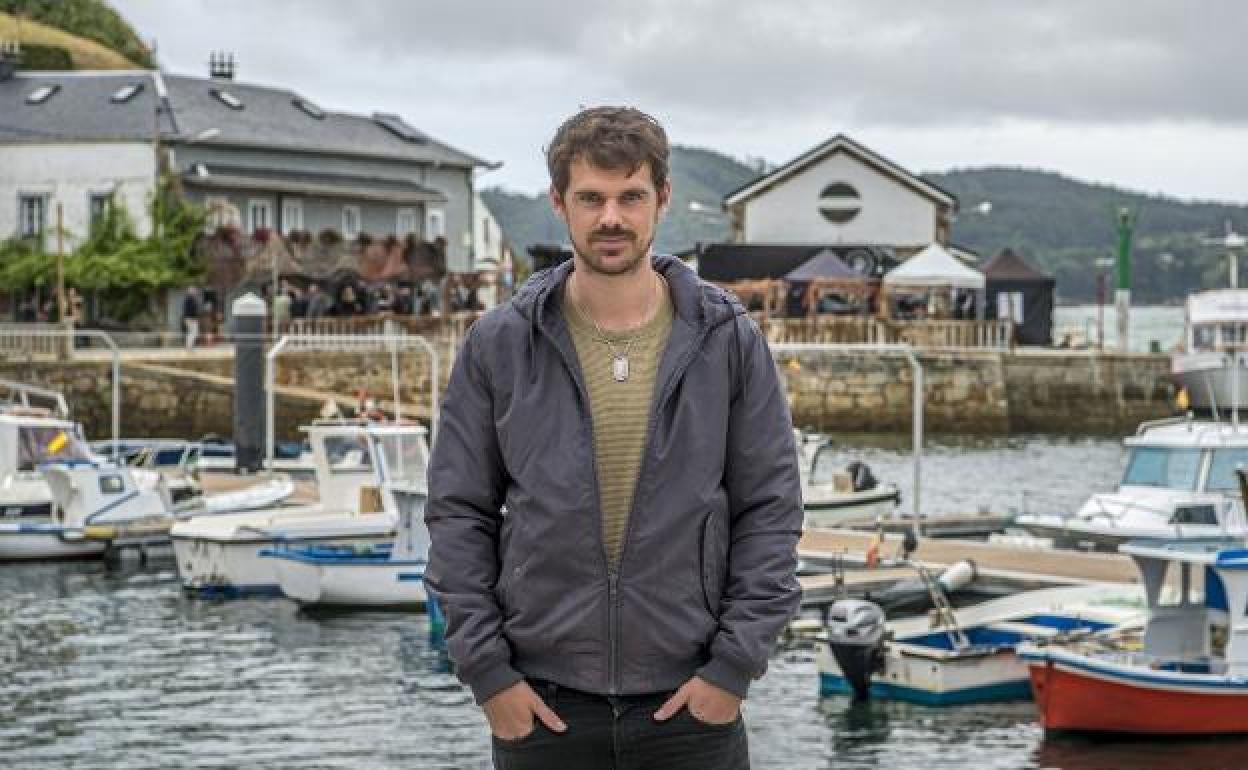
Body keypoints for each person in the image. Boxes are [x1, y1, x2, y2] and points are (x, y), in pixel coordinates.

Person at [426, 106, 802, 770]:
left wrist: (731, 669)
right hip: (541, 711)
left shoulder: (728, 340)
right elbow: (459, 514)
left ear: (661, 199)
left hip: (692, 709)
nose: (611, 218)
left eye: (630, 196)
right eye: (591, 198)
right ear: (558, 203)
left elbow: (770, 511)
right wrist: (489, 676)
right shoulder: (499, 344)